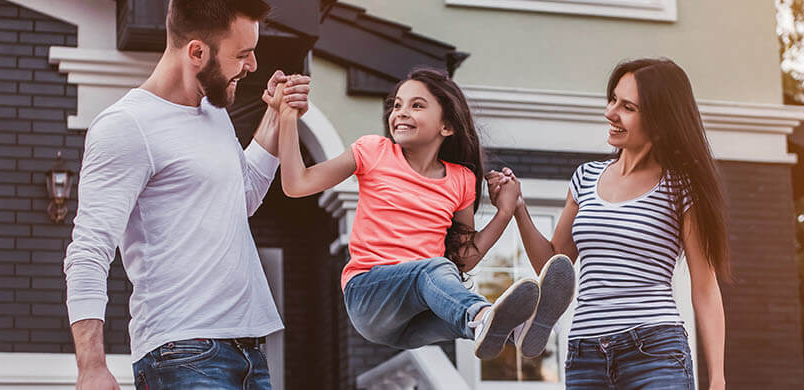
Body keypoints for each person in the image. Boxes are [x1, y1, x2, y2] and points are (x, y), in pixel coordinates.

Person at [63, 1, 311, 388]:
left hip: (248, 350)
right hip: (182, 354)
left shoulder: (213, 113)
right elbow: (89, 250)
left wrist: (277, 115)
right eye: (242, 54)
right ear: (196, 52)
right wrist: (90, 365)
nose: (252, 66)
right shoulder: (126, 126)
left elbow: (242, 196)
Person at [268, 67, 573, 360]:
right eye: (397, 105)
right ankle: (482, 316)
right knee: (435, 274)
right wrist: (288, 116)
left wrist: (505, 213)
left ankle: (519, 329)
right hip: (368, 296)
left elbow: (462, 259)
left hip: (414, 317)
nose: (400, 112)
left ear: (447, 126)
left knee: (455, 305)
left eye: (416, 105)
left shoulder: (462, 180)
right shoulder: (373, 151)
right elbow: (297, 184)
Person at [488, 58, 728, 389]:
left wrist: (717, 378)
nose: (610, 113)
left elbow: (704, 287)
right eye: (612, 99)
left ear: (659, 120)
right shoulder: (586, 178)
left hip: (654, 350)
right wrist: (518, 207)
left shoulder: (681, 187)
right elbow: (554, 263)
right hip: (586, 355)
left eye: (627, 106)